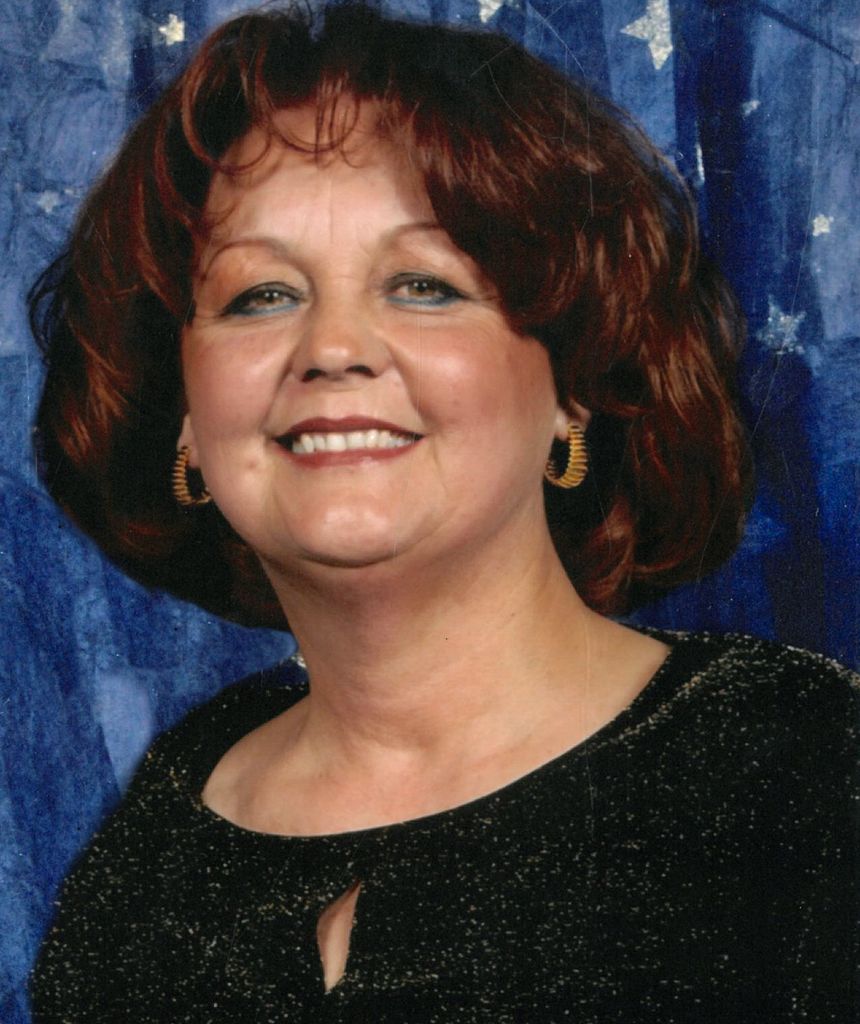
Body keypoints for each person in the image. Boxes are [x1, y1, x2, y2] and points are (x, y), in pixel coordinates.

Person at [28, 4, 857, 1021]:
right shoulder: (152, 856)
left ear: (572, 385)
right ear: (185, 419)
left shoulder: (804, 774)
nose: (333, 348)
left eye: (423, 283)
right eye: (259, 295)